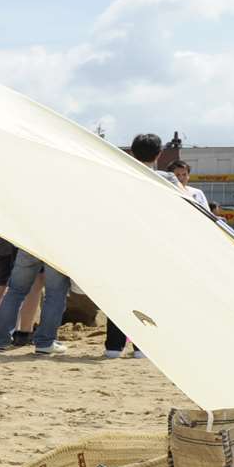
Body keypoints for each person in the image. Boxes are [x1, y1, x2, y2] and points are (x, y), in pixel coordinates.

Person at [106, 135, 167, 357]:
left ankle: (113, 346)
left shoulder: (117, 177)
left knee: (117, 296)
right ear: (159, 154)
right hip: (149, 246)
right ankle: (142, 346)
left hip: (121, 244)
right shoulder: (163, 181)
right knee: (146, 297)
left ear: (131, 152)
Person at [0, 243, 70, 355]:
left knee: (15, 291)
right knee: (55, 295)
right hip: (56, 246)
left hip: (30, 243)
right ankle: (45, 343)